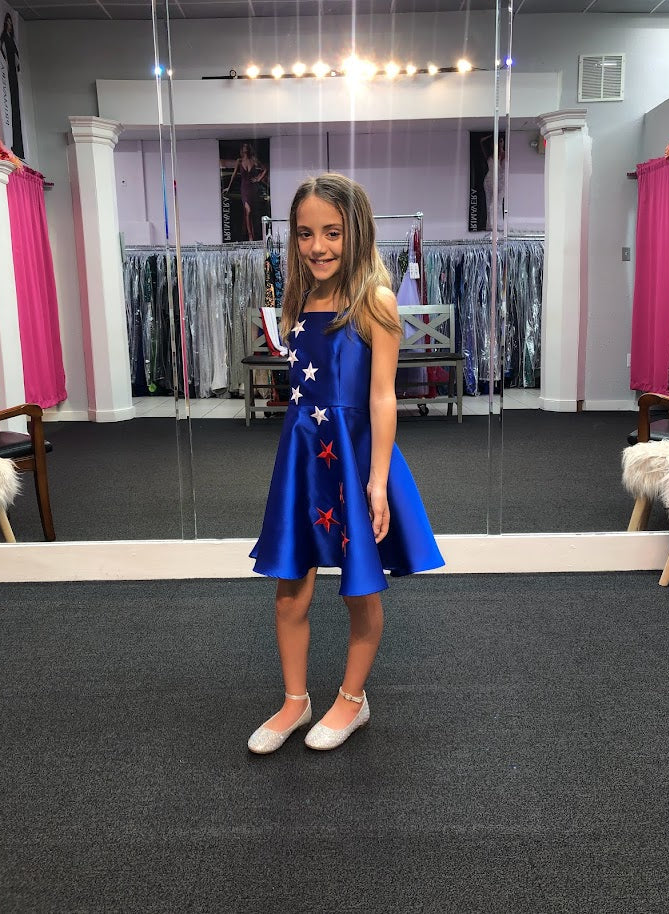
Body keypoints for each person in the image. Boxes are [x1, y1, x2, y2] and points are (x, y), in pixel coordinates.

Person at [247, 173, 444, 754]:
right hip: (304, 458)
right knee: (290, 588)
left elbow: (383, 397)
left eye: (331, 233)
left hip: (355, 456)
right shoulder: (296, 299)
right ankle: (295, 701)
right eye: (305, 234)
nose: (318, 247)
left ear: (356, 231)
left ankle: (352, 699)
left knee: (361, 587)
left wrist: (378, 481)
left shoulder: (375, 302)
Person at [224, 142, 267, 241]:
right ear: (242, 150)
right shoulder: (239, 161)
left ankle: (254, 235)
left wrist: (258, 179)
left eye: (247, 147)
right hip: (244, 189)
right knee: (248, 210)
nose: (245, 148)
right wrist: (229, 187)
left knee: (252, 213)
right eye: (244, 147)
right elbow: (234, 174)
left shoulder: (254, 160)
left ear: (249, 149)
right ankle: (250, 235)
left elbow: (265, 169)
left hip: (253, 188)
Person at [0, 13, 24, 160]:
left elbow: (17, 57)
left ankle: (18, 147)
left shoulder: (12, 39)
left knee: (16, 108)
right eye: (7, 22)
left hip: (13, 75)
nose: (9, 25)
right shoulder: (4, 37)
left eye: (10, 23)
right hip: (8, 72)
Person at [480, 134, 505, 231]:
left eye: (501, 141)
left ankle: (499, 226)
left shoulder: (504, 154)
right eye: (498, 142)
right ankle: (490, 226)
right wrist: (491, 136)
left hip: (500, 181)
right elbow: (482, 141)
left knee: (497, 204)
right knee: (489, 204)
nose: (500, 143)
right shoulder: (489, 154)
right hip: (489, 181)